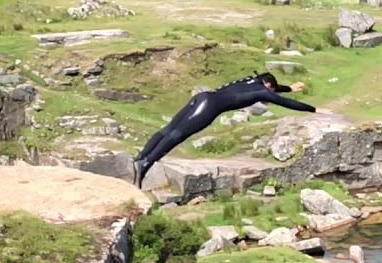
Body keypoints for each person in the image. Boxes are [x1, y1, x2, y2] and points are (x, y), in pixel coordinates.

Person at [132, 71, 317, 188]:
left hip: (202, 97)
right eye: (272, 90)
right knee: (178, 134)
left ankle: (141, 157)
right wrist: (313, 109)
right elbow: (285, 102)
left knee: (168, 129)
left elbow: (272, 89)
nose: (271, 94)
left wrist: (289, 88)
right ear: (268, 86)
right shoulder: (263, 90)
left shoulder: (251, 80)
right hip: (209, 107)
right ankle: (146, 164)